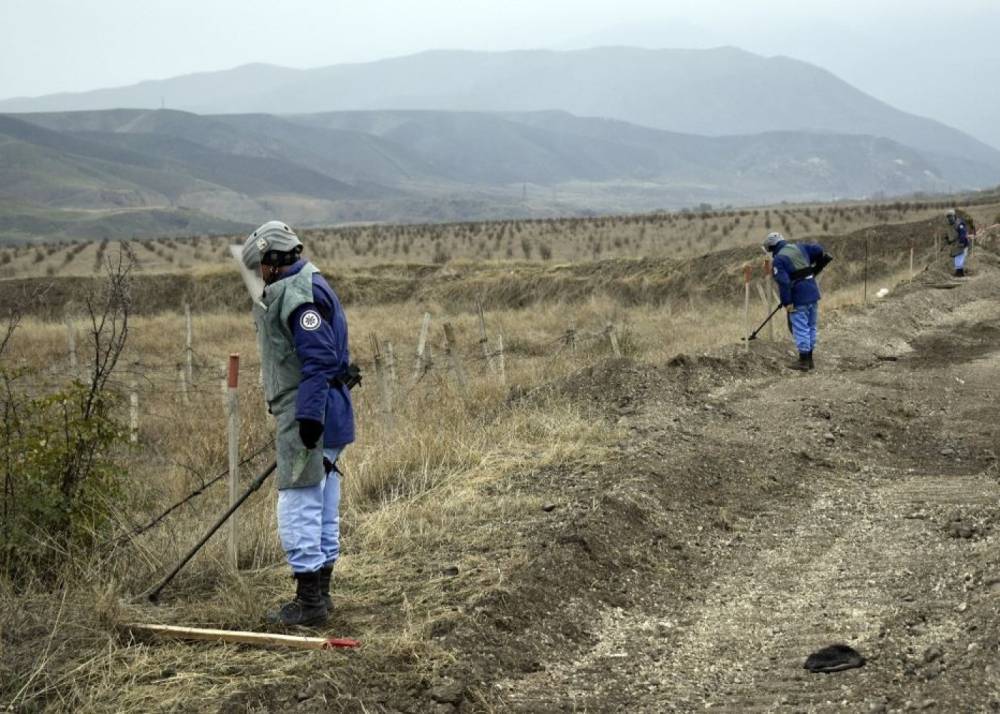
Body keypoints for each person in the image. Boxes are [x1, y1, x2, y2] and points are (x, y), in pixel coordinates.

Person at [240, 220, 355, 626]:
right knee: (322, 504)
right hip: (328, 408)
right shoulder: (312, 281)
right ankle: (320, 597)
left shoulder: (296, 294)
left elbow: (319, 357)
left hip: (311, 412)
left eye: (260, 267)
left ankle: (308, 604)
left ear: (271, 261)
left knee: (299, 504)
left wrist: (307, 417)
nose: (259, 275)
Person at [763, 232, 832, 371]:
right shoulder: (800, 247)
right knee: (811, 326)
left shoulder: (779, 260)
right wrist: (813, 264)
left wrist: (787, 302)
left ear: (771, 248)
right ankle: (810, 360)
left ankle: (803, 361)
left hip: (798, 297)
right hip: (813, 293)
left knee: (800, 328)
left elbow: (783, 282)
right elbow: (818, 249)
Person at [946, 209, 970, 277]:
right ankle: (959, 272)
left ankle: (959, 273)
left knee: (959, 257)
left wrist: (961, 242)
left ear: (954, 216)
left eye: (951, 216)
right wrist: (947, 239)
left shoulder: (959, 224)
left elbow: (963, 234)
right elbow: (948, 233)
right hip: (955, 244)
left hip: (961, 242)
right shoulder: (949, 224)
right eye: (948, 217)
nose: (949, 218)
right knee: (957, 258)